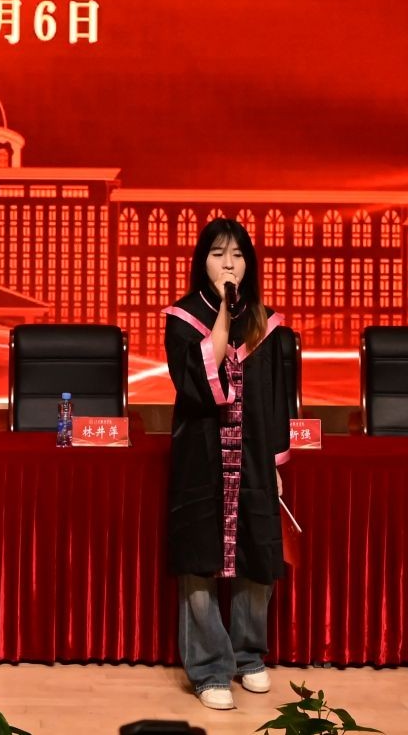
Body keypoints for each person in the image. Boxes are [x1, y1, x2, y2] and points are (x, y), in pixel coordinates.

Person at [162, 218, 298, 712]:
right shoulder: (182, 319)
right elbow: (198, 380)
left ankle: (247, 654)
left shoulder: (266, 323)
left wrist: (275, 460)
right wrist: (222, 308)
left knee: (257, 551)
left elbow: (276, 399)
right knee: (200, 557)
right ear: (203, 261)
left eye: (238, 255)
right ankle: (208, 668)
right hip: (201, 455)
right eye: (219, 254)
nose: (229, 264)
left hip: (253, 453)